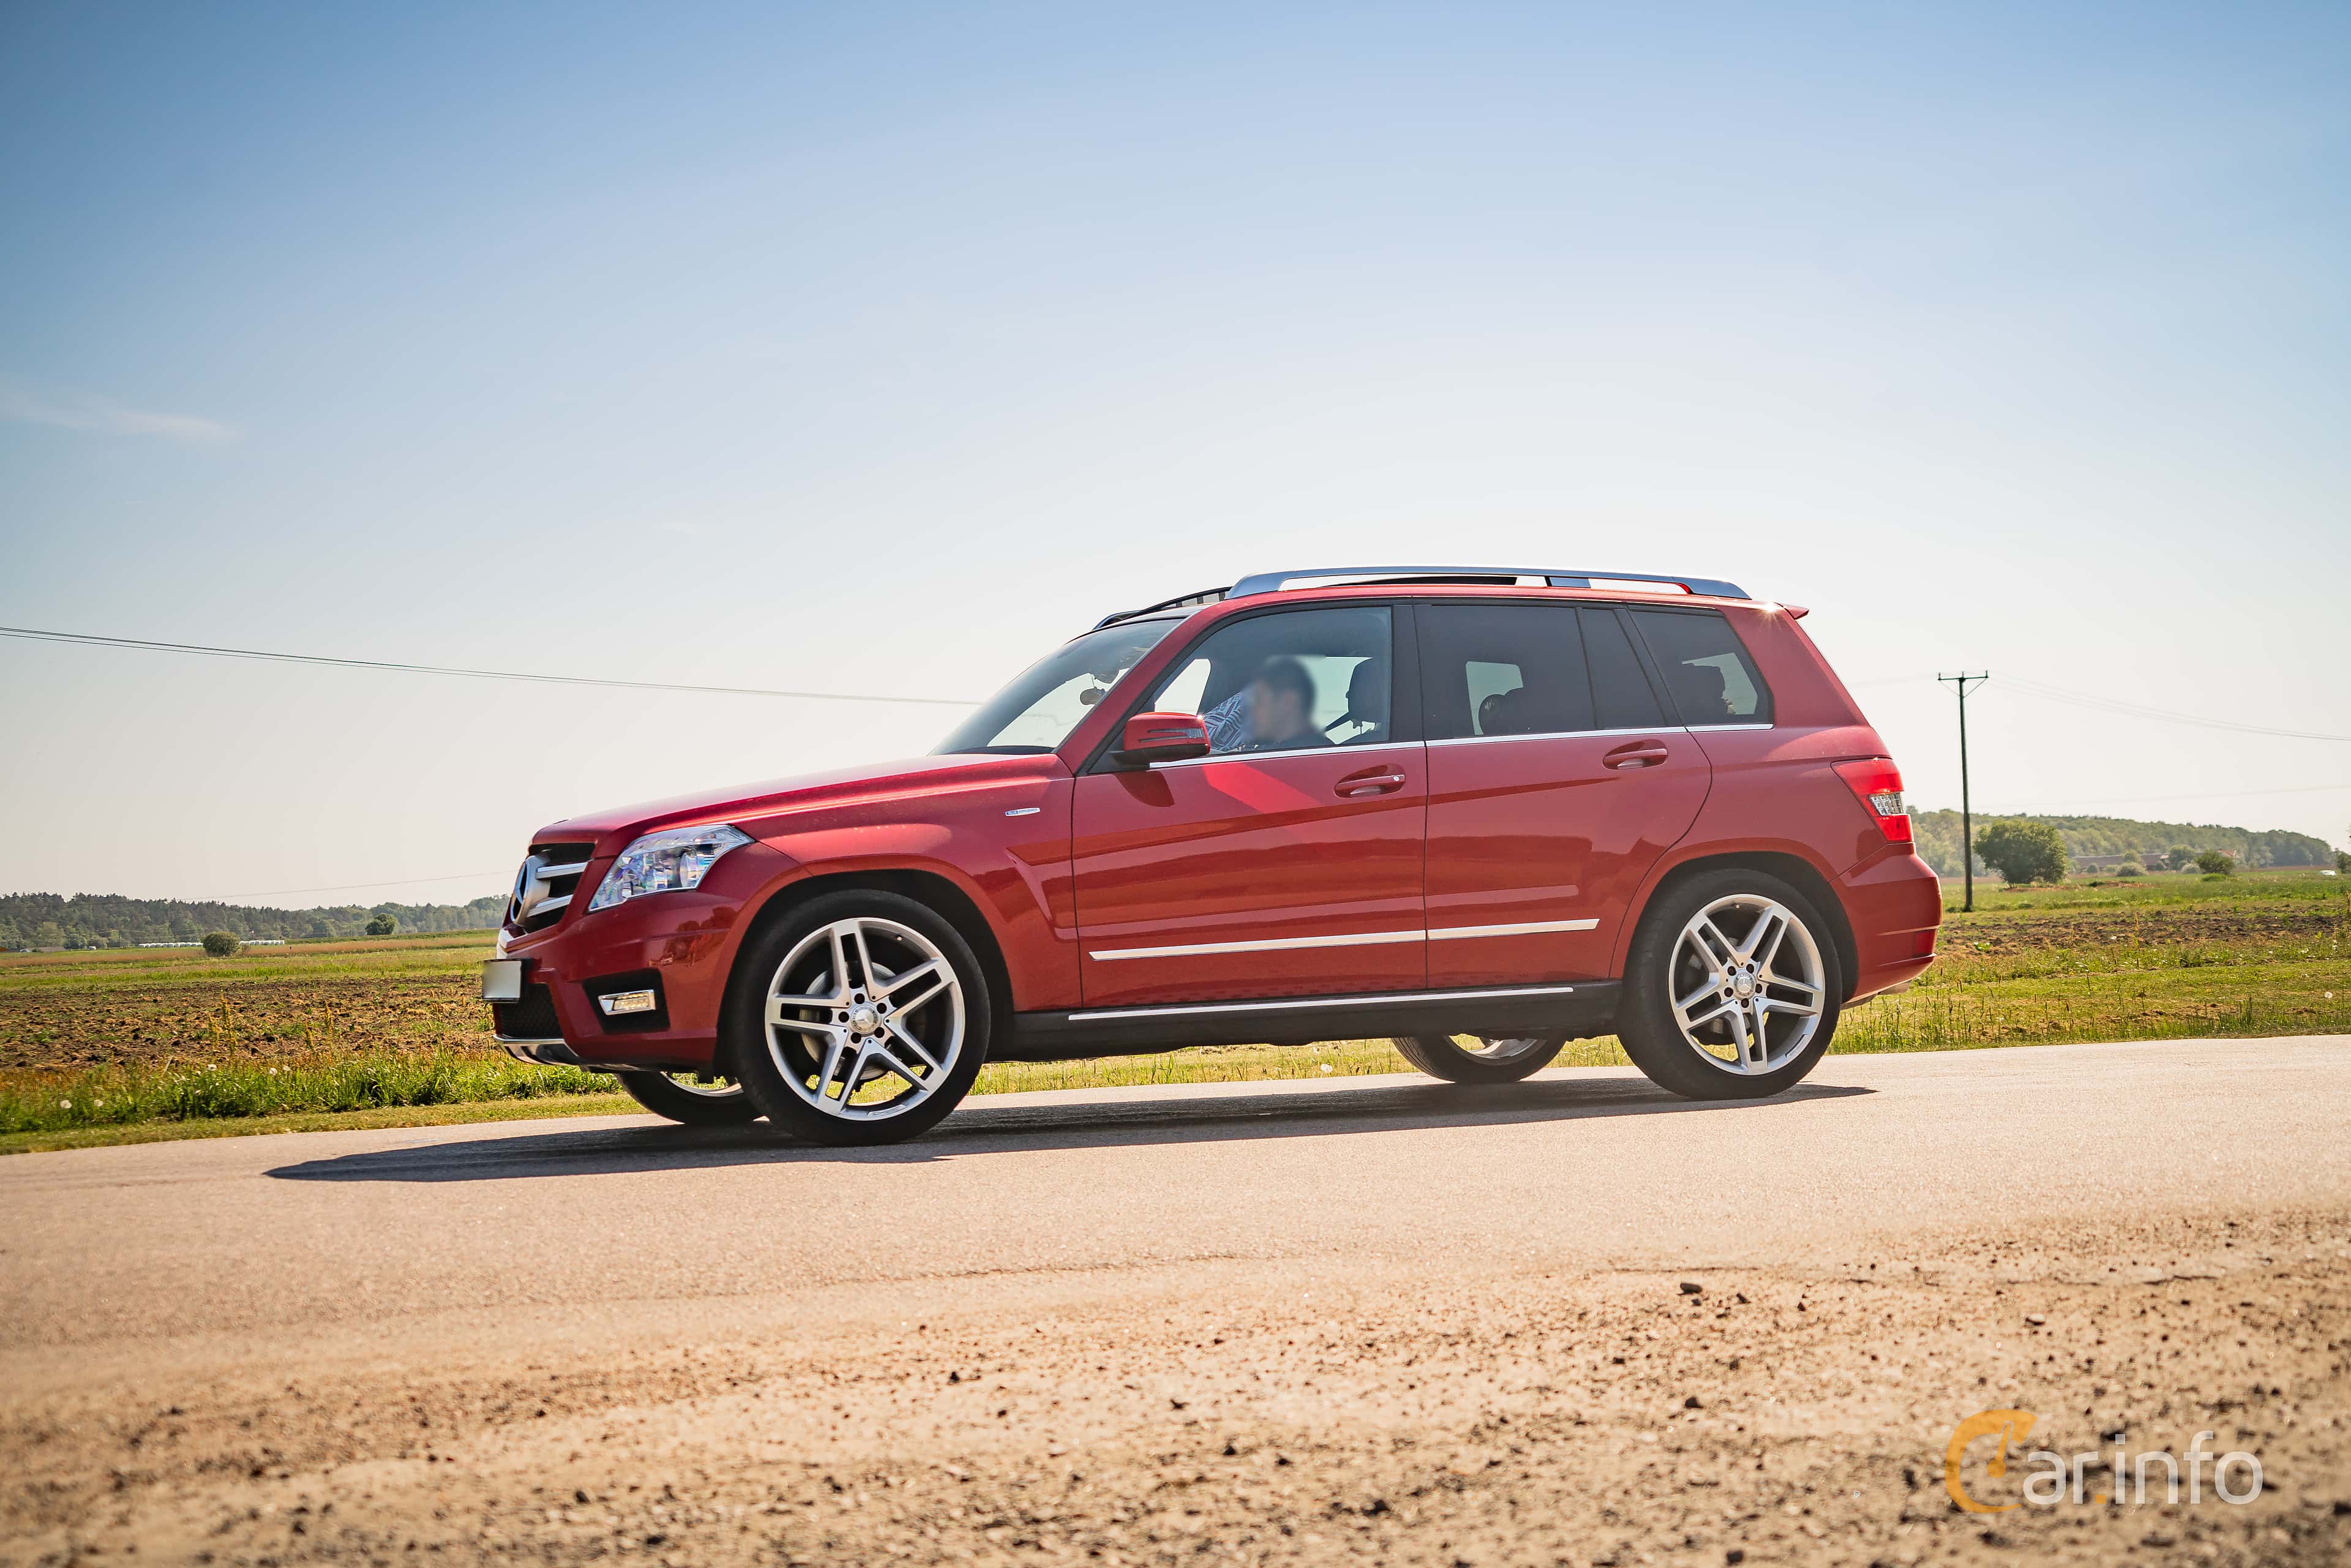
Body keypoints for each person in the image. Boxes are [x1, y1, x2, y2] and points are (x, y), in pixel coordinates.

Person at [1242, 656, 1329, 752]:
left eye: (1260, 700)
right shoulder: (1319, 750)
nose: (1253, 709)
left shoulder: (1308, 754)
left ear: (1287, 702)